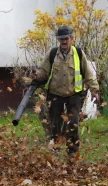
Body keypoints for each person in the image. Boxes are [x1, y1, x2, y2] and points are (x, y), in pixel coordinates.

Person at [30, 25, 100, 158]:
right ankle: (55, 150)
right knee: (55, 123)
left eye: (66, 38)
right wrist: (36, 74)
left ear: (72, 38)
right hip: (55, 94)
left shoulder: (79, 54)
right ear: (58, 40)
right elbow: (43, 72)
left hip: (73, 95)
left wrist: (95, 90)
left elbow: (89, 74)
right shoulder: (52, 54)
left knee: (73, 123)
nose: (64, 41)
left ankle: (72, 153)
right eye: (61, 39)